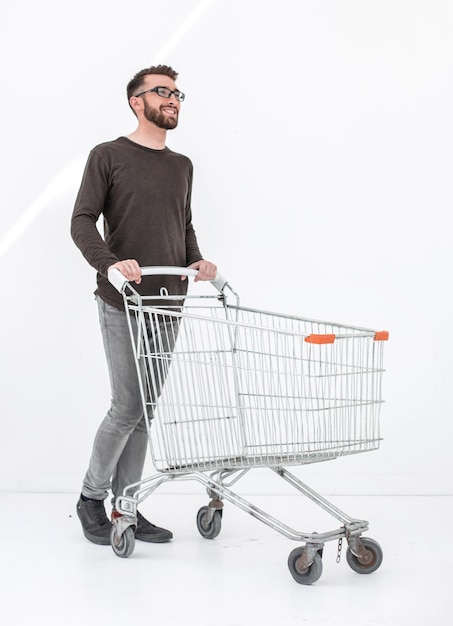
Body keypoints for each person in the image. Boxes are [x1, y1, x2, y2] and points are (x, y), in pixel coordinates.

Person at [71, 65, 217, 545]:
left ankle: (127, 507)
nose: (173, 99)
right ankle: (92, 497)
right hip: (123, 301)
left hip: (168, 303)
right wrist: (110, 263)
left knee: (146, 411)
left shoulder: (182, 165)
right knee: (127, 406)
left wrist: (197, 262)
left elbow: (184, 224)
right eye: (162, 92)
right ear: (137, 101)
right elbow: (82, 221)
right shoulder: (108, 155)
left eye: (177, 93)